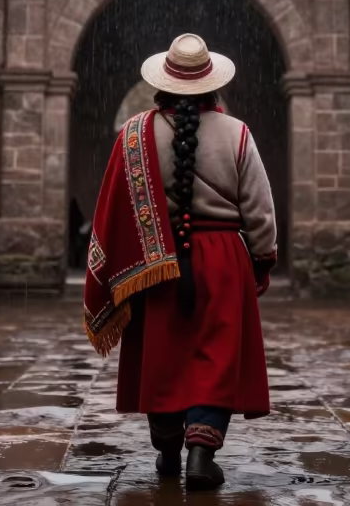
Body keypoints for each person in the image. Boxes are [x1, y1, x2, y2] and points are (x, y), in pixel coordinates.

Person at [84, 33, 277, 492]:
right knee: (216, 354)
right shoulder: (238, 133)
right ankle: (202, 454)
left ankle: (168, 450)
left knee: (163, 353)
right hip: (225, 259)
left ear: (163, 84)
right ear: (212, 85)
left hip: (155, 260)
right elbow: (261, 210)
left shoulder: (134, 135)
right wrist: (263, 261)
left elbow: (111, 210)